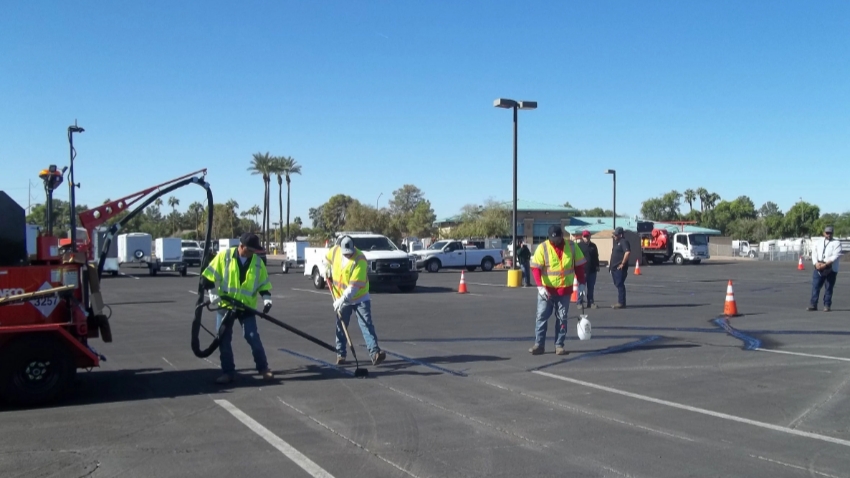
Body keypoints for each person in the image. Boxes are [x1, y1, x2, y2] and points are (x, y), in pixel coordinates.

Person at [202, 233, 273, 384]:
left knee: (252, 336)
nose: (252, 254)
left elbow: (263, 285)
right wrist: (212, 292)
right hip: (226, 306)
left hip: (246, 307)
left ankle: (264, 368)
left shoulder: (257, 262)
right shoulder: (224, 257)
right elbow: (206, 277)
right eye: (250, 251)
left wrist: (267, 299)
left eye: (254, 251)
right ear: (241, 246)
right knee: (224, 339)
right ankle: (228, 372)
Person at [323, 236, 387, 365]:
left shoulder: (360, 260)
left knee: (366, 324)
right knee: (341, 326)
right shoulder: (335, 251)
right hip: (339, 295)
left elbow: (353, 288)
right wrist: (326, 268)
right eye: (345, 253)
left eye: (350, 253)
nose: (348, 255)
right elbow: (326, 259)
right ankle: (341, 354)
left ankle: (374, 353)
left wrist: (341, 301)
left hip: (359, 297)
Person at [528, 225, 587, 355]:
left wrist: (582, 284)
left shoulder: (572, 246)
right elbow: (536, 268)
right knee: (541, 317)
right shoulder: (543, 247)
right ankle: (539, 345)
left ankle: (559, 345)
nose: (554, 242)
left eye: (557, 239)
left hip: (564, 291)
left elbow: (579, 267)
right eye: (552, 239)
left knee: (562, 318)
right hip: (547, 291)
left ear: (562, 236)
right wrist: (540, 286)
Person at [809, 225, 842, 312]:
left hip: (830, 268)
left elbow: (836, 255)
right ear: (824, 233)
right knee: (815, 286)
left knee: (829, 287)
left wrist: (826, 264)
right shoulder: (818, 242)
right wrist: (816, 263)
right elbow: (814, 253)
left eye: (830, 233)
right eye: (827, 233)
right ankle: (813, 304)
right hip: (819, 266)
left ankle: (827, 305)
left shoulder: (836, 243)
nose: (829, 235)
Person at [609, 226, 631, 309]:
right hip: (614, 268)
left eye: (616, 235)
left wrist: (622, 263)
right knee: (617, 284)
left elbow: (627, 252)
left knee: (620, 284)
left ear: (621, 235)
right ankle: (621, 302)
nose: (614, 236)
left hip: (620, 268)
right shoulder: (617, 243)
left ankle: (621, 302)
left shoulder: (623, 242)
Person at [577, 230, 600, 308]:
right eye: (584, 236)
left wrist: (597, 266)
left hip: (592, 270)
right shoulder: (579, 246)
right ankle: (579, 302)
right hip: (582, 270)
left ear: (590, 236)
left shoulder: (593, 246)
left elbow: (596, 257)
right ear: (582, 237)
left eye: (587, 236)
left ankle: (590, 302)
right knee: (581, 287)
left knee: (591, 287)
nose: (586, 238)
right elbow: (575, 258)